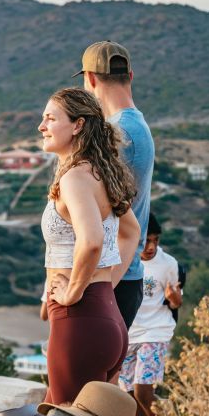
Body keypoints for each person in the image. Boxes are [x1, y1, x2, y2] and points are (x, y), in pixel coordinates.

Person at [37, 87, 141, 405]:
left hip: (80, 321)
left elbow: (92, 241)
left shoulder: (75, 179)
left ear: (78, 125)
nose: (41, 126)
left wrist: (74, 293)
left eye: (50, 118)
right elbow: (131, 233)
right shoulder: (98, 174)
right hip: (106, 318)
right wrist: (103, 286)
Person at [75, 41, 155, 330]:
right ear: (130, 76)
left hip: (111, 280)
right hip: (123, 280)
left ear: (91, 79)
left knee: (90, 376)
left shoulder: (118, 134)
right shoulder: (135, 126)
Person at [119, 213, 181, 416]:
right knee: (128, 396)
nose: (151, 246)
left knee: (143, 392)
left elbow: (176, 302)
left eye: (156, 240)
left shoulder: (168, 264)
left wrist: (173, 297)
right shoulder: (124, 259)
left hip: (156, 332)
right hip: (129, 333)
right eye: (147, 240)